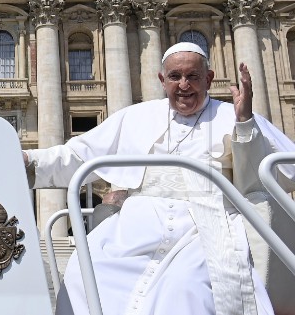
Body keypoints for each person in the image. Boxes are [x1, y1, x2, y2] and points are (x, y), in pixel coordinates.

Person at [25, 42, 295, 314]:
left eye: (193, 76)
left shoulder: (232, 115)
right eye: (175, 76)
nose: (184, 85)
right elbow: (79, 156)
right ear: (162, 80)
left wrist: (246, 124)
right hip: (137, 226)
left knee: (185, 287)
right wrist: (27, 161)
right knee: (86, 273)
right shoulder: (137, 116)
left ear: (209, 79)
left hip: (204, 226)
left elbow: (270, 172)